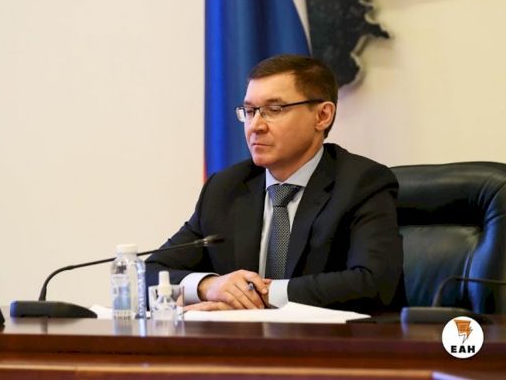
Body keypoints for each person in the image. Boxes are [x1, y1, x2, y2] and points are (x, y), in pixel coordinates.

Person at [146, 54, 405, 314]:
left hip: (328, 339)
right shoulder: (226, 187)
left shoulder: (362, 183)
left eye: (274, 109)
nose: (255, 126)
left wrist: (259, 294)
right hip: (240, 340)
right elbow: (151, 272)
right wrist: (209, 286)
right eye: (250, 111)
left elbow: (374, 283)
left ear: (322, 116)